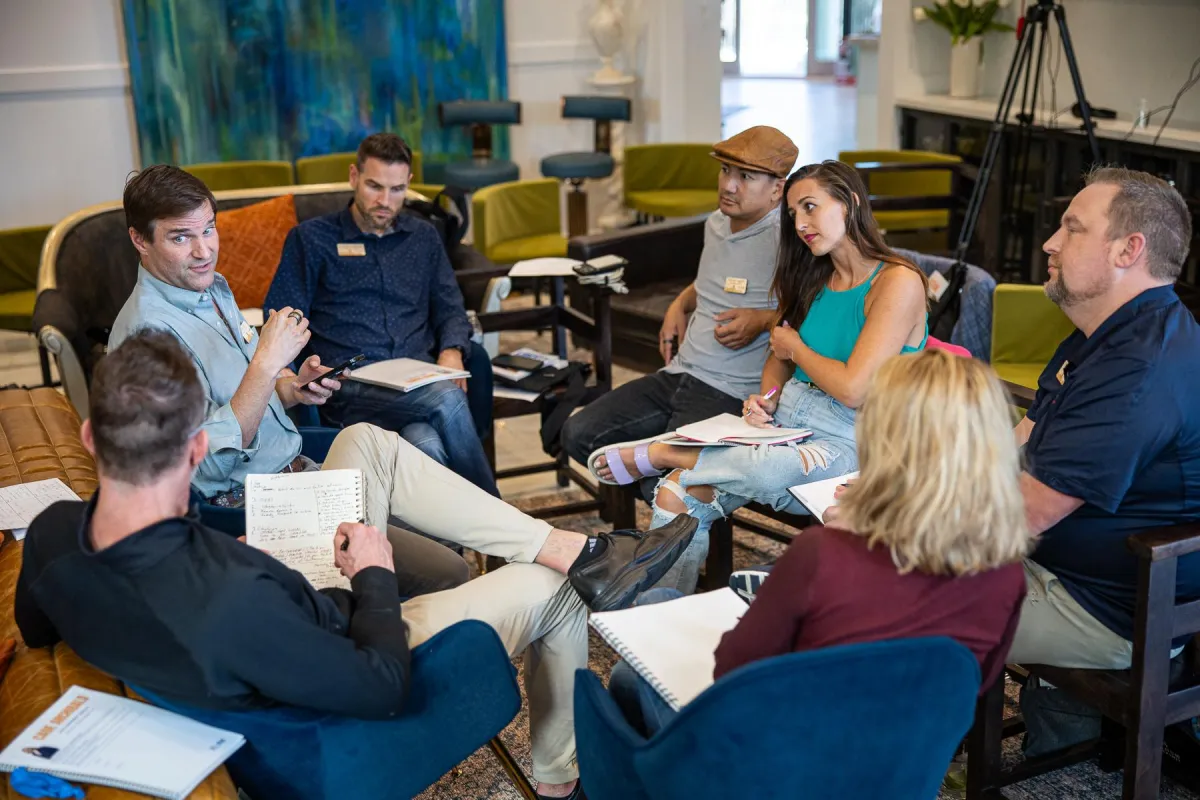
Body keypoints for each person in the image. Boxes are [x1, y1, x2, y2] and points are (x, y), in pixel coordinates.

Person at [16, 330, 697, 800]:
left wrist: (237, 558)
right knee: (556, 589)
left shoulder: (52, 536)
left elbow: (37, 626)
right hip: (347, 674)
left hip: (281, 619)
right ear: (197, 450)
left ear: (89, 438)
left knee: (364, 440)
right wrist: (374, 573)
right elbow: (381, 688)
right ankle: (561, 779)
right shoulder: (233, 598)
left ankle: (571, 547)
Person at [108, 164, 694, 619]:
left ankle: (561, 554)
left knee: (445, 558)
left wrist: (290, 388)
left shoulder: (210, 287)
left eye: (209, 229)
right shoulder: (146, 336)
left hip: (304, 469)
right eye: (181, 238)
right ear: (139, 240)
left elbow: (244, 400)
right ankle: (570, 554)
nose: (205, 250)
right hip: (253, 511)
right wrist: (265, 365)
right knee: (398, 444)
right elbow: (201, 462)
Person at [607, 349, 1030, 737]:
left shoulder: (825, 555)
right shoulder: (1007, 576)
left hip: (775, 758)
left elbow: (731, 667)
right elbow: (974, 686)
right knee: (664, 608)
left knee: (638, 654)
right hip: (896, 766)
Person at [591, 160, 929, 593]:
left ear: (850, 202)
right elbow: (777, 361)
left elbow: (854, 388)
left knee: (767, 471)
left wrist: (796, 348)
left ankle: (667, 452)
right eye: (793, 214)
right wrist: (767, 398)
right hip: (789, 421)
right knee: (676, 494)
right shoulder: (813, 275)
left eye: (810, 207)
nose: (801, 224)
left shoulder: (897, 281)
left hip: (855, 439)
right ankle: (663, 608)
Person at [1007, 166, 1200, 671]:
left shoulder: (1139, 367)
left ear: (1128, 250)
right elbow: (1021, 436)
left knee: (870, 600)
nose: (1050, 243)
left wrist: (896, 518)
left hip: (1100, 609)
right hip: (1050, 562)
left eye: (1072, 228)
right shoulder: (1105, 332)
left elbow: (1024, 514)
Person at [561, 125, 798, 488]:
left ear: (777, 189)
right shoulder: (716, 224)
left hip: (730, 390)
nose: (729, 185)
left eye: (745, 177)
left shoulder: (790, 240)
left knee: (665, 483)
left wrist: (764, 320)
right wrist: (680, 303)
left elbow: (816, 311)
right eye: (725, 171)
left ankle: (671, 490)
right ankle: (664, 479)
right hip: (678, 372)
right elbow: (714, 281)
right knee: (578, 434)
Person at [265, 133, 498, 495]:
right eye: (374, 186)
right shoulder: (311, 239)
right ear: (354, 176)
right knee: (447, 398)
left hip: (418, 378)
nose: (384, 201)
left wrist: (452, 350)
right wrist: (287, 371)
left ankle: (440, 534)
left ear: (409, 184)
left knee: (426, 444)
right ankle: (495, 512)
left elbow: (450, 305)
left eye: (396, 189)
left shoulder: (423, 237)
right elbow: (283, 315)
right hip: (350, 386)